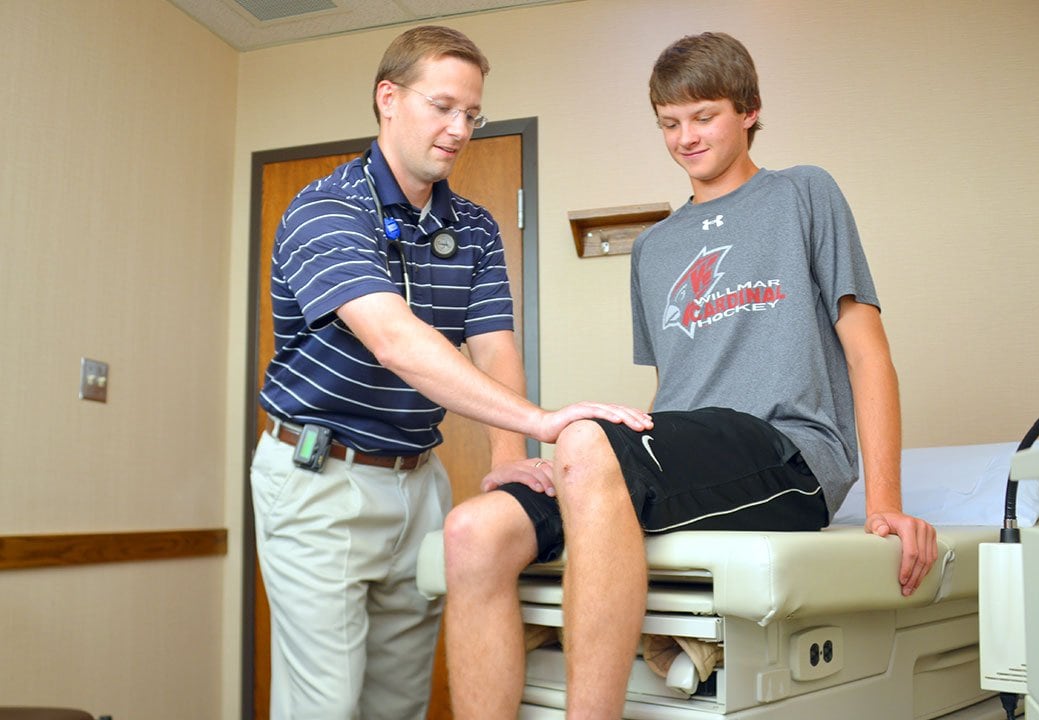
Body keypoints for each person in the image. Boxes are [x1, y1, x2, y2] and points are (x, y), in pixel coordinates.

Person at [441, 31, 939, 719]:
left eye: (703, 116)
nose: (685, 138)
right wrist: (601, 468)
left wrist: (884, 501)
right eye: (669, 124)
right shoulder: (654, 248)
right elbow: (674, 391)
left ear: (750, 110)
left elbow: (867, 353)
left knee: (584, 438)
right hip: (692, 446)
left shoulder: (804, 193)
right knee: (473, 531)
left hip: (790, 451)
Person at [249, 25, 651, 720]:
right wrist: (542, 421)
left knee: (400, 702)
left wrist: (508, 457)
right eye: (443, 106)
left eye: (472, 113)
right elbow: (395, 340)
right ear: (388, 99)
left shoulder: (474, 225)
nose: (459, 128)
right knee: (325, 706)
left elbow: (493, 344)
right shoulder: (327, 208)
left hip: (418, 484)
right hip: (321, 482)